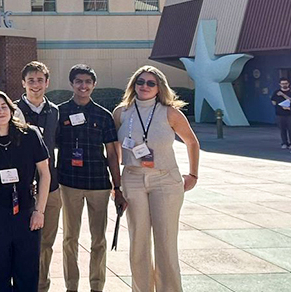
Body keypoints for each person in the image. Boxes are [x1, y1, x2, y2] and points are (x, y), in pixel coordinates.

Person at [112, 66, 200, 292]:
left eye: (151, 83)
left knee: (165, 242)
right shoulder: (121, 112)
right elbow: (113, 150)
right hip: (132, 179)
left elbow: (192, 142)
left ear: (159, 87)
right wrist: (115, 183)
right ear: (133, 84)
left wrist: (193, 174)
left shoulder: (170, 113)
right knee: (138, 241)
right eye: (140, 81)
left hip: (165, 180)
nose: (145, 86)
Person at [56, 64, 124, 292]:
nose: (83, 86)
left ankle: (97, 285)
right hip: (69, 182)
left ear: (94, 85)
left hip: (98, 184)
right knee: (70, 238)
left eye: (87, 82)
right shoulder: (60, 112)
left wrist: (118, 186)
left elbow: (112, 153)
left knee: (99, 239)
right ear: (72, 84)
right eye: (79, 81)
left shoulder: (103, 116)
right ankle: (71, 286)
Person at [0, 90, 50, 292]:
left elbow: (44, 174)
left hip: (26, 209)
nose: (0, 111)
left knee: (27, 270)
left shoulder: (30, 135)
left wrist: (39, 211)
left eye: (4, 107)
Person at [14, 61, 61, 292]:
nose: (35, 85)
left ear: (47, 82)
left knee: (46, 243)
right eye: (30, 80)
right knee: (20, 242)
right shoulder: (12, 111)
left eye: (40, 80)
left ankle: (41, 286)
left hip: (50, 187)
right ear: (23, 83)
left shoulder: (55, 111)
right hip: (20, 189)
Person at [271, 78, 291, 149]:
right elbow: (273, 101)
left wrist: (283, 95)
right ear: (280, 84)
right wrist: (279, 106)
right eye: (283, 84)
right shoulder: (276, 92)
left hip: (290, 114)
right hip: (280, 114)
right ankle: (284, 143)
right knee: (282, 129)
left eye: (285, 83)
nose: (284, 85)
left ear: (288, 84)